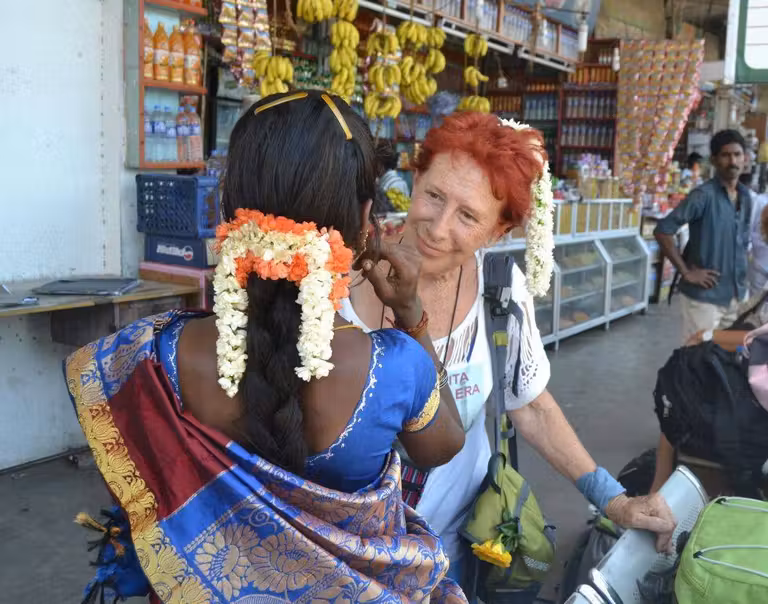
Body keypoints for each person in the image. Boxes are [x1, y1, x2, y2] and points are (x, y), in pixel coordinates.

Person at [63, 91, 468, 603]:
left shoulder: (152, 355)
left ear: (228, 206)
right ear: (365, 220)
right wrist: (411, 311)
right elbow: (443, 446)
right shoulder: (396, 366)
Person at [342, 112, 676, 592]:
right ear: (415, 181)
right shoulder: (341, 280)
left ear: (497, 232)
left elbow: (532, 407)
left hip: (448, 555)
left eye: (468, 215)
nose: (437, 227)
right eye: (434, 195)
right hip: (339, 555)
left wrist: (615, 501)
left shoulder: (499, 294)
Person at [655, 129, 752, 343]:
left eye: (737, 154)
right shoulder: (703, 196)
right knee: (696, 360)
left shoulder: (746, 197)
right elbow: (663, 230)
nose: (732, 161)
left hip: (736, 296)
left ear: (745, 158)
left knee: (729, 359)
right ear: (715, 160)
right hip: (704, 298)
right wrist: (686, 271)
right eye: (726, 155)